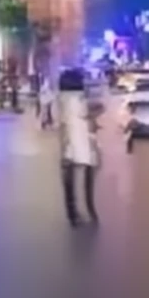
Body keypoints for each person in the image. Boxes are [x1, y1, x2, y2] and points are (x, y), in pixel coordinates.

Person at [55, 67, 102, 226]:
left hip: (68, 145)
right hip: (84, 145)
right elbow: (93, 110)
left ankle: (72, 214)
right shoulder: (79, 99)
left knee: (69, 180)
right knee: (88, 180)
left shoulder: (61, 100)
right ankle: (90, 211)